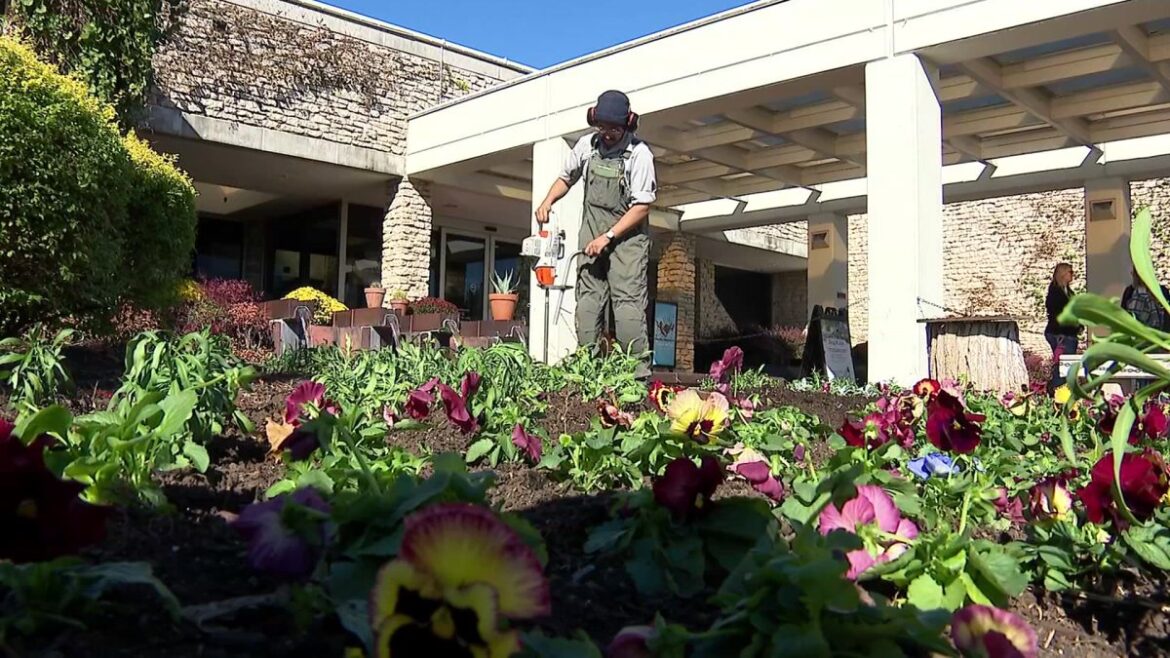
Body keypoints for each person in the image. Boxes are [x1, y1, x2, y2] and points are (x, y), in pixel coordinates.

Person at [535, 90, 657, 378]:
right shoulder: (587, 146)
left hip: (627, 240)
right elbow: (567, 177)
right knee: (588, 302)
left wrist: (609, 236)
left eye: (615, 128)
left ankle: (635, 378)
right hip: (591, 232)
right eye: (603, 127)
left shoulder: (639, 155)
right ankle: (587, 372)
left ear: (627, 124)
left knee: (627, 306)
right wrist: (547, 200)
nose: (608, 134)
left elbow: (642, 207)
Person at [1044, 262, 1081, 392]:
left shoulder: (1069, 292)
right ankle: (1058, 391)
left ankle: (1062, 389)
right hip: (1060, 333)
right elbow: (1056, 313)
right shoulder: (1055, 292)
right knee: (1063, 365)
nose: (1073, 275)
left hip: (1070, 333)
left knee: (1066, 365)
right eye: (1070, 272)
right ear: (1063, 274)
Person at [1121, 267, 1170, 332]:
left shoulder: (1161, 291)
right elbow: (1124, 314)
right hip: (1137, 333)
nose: (1132, 274)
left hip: (1159, 335)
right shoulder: (1130, 291)